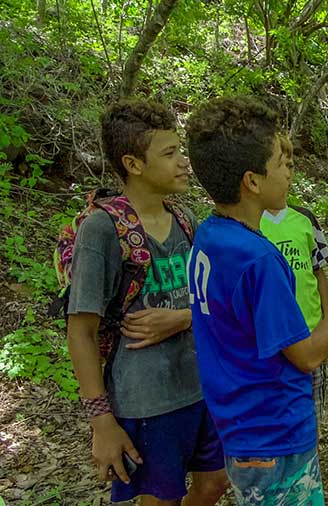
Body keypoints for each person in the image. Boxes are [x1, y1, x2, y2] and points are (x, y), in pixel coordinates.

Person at [184, 96, 328, 505]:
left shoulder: (209, 236)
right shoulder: (259, 260)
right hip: (274, 434)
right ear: (252, 180)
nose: (289, 170)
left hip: (238, 427)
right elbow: (307, 356)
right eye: (279, 163)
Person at [65, 99, 229, 505]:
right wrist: (102, 421)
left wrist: (184, 318)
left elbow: (206, 300)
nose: (183, 163)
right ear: (133, 164)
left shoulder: (185, 218)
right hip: (146, 403)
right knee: (160, 499)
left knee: (216, 482)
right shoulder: (102, 230)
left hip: (199, 387)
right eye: (170, 153)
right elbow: (81, 330)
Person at [260, 134, 328, 424]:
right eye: (283, 165)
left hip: (311, 335)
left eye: (292, 165)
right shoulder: (251, 223)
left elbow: (319, 273)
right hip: (273, 343)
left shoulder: (305, 219)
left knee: (311, 416)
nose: (289, 173)